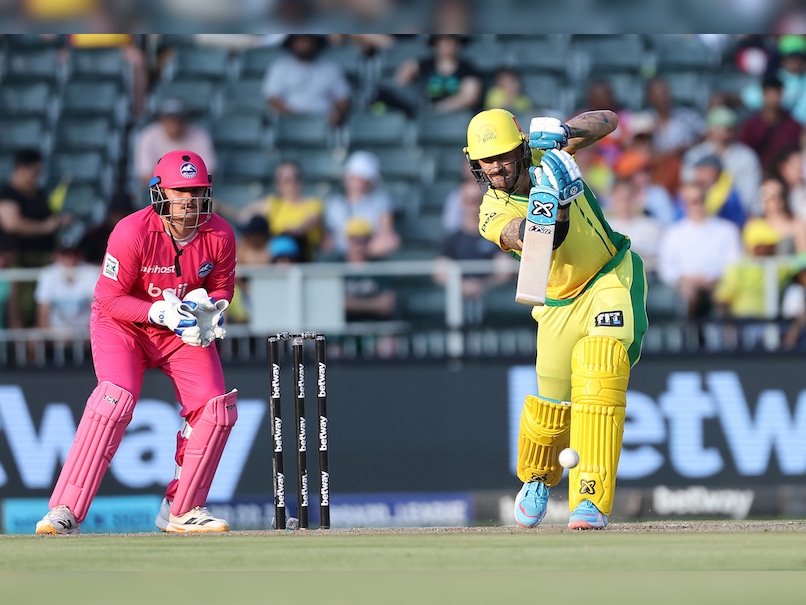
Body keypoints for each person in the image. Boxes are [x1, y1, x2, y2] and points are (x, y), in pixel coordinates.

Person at [35, 150, 238, 535]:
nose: (190, 200)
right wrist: (159, 313)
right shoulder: (132, 231)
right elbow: (108, 298)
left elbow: (222, 287)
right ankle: (64, 511)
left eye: (197, 191)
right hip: (123, 326)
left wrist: (211, 309)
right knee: (113, 400)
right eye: (181, 191)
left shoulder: (220, 234)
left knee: (216, 410)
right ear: (160, 192)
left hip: (181, 332)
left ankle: (183, 509)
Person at [464, 108, 648, 530]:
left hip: (608, 277)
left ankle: (590, 499)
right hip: (554, 303)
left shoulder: (546, 155)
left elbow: (608, 120)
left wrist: (562, 136)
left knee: (599, 369)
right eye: (486, 160)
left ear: (520, 147)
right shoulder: (490, 213)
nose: (496, 167)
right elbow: (536, 239)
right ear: (475, 162)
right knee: (550, 408)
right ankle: (536, 479)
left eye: (504, 156)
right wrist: (555, 202)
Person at [0, 148, 71, 329]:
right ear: (20, 168)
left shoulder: (39, 194)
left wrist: (59, 222)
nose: (36, 177)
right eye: (33, 171)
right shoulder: (7, 193)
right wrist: (45, 227)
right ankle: (20, 354)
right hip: (18, 261)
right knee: (19, 310)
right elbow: (12, 223)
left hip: (43, 260)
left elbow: (49, 218)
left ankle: (37, 352)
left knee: (42, 306)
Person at [657, 182, 742, 320]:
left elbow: (734, 263)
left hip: (719, 285)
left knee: (723, 296)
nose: (697, 205)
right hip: (684, 288)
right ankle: (687, 336)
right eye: (692, 201)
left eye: (700, 199)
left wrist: (711, 278)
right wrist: (687, 279)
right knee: (687, 295)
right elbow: (666, 268)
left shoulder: (727, 230)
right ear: (684, 204)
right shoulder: (672, 233)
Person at [433, 181, 514, 324]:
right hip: (458, 301)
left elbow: (505, 270)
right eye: (468, 200)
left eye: (477, 200)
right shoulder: (451, 239)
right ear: (461, 202)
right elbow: (440, 273)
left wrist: (483, 285)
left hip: (490, 300)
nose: (473, 205)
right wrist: (462, 286)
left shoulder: (495, 235)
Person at [219, 161, 324, 262]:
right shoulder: (273, 204)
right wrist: (219, 207)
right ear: (278, 183)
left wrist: (290, 231)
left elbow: (307, 223)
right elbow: (241, 214)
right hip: (274, 257)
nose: (292, 183)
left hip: (301, 257)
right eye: (287, 180)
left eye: (296, 178)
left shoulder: (312, 204)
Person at [681, 105, 762, 217]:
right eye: (717, 127)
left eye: (727, 127)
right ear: (708, 129)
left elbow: (750, 195)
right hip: (700, 214)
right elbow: (689, 189)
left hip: (737, 214)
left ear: (734, 130)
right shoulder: (694, 156)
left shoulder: (747, 156)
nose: (722, 132)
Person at [323, 150, 401, 259]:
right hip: (341, 258)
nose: (359, 183)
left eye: (363, 179)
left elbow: (387, 234)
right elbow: (328, 241)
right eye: (356, 178)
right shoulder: (334, 204)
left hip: (370, 257)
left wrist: (362, 252)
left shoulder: (381, 201)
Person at [261, 34, 351, 126]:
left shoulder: (331, 68)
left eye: (308, 40)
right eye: (300, 40)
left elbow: (342, 98)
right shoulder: (280, 67)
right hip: (287, 123)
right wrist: (295, 118)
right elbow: (273, 99)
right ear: (291, 43)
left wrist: (338, 113)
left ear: (316, 42)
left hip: (323, 122)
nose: (304, 44)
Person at [134, 98, 218, 188]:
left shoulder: (200, 136)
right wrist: (170, 190)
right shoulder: (148, 136)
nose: (175, 124)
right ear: (162, 120)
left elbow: (210, 171)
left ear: (185, 119)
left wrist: (187, 189)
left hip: (193, 189)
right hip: (159, 191)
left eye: (178, 119)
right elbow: (145, 176)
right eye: (170, 119)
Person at [737, 75, 802, 175]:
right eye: (769, 92)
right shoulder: (751, 125)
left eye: (777, 92)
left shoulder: (794, 126)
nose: (773, 97)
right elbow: (743, 154)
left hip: (785, 177)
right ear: (763, 94)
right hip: (757, 175)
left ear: (781, 94)